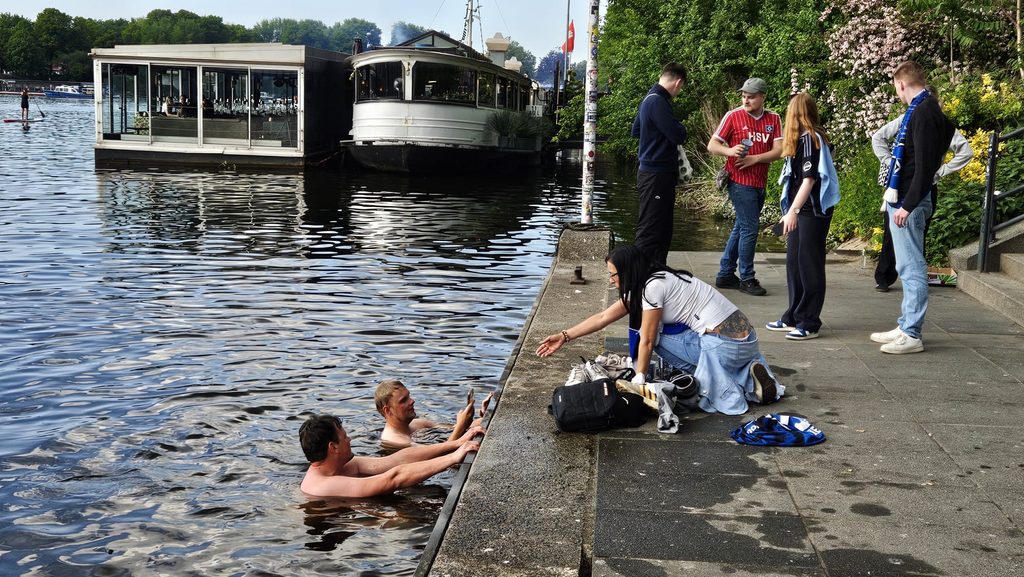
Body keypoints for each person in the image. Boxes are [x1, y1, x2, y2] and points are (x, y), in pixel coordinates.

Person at [535, 244, 782, 415]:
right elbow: (603, 317)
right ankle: (747, 377)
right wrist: (564, 336)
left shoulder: (652, 288)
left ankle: (728, 384)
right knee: (669, 333)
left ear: (628, 271)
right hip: (746, 342)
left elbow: (647, 339)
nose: (611, 280)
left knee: (656, 336)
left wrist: (639, 379)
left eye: (613, 275)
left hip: (724, 346)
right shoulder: (659, 277)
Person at [870, 61, 955, 354]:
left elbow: (925, 167)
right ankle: (905, 324)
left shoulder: (923, 112)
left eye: (895, 87)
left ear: (901, 83)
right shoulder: (923, 110)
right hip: (906, 198)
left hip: (910, 201)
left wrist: (908, 204)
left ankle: (911, 333)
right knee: (906, 265)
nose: (897, 92)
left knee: (912, 266)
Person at [870, 88, 973, 292]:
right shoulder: (912, 118)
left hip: (917, 185)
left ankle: (903, 282)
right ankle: (893, 278)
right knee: (905, 236)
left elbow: (966, 152)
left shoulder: (935, 123)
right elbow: (878, 137)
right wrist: (891, 163)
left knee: (909, 236)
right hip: (908, 185)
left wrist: (939, 172)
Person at [765, 93, 839, 341]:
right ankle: (793, 316)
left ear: (795, 114)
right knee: (794, 262)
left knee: (809, 264)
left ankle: (809, 321)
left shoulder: (810, 139)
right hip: (801, 209)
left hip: (812, 210)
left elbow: (809, 180)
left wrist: (793, 211)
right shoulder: (802, 140)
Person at [707, 78, 784, 296]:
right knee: (750, 228)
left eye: (751, 97)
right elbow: (713, 145)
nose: (746, 100)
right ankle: (747, 278)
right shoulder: (733, 116)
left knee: (742, 226)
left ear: (762, 97)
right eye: (743, 96)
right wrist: (730, 151)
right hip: (739, 181)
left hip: (759, 181)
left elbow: (779, 150)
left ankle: (725, 274)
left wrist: (755, 159)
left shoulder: (773, 118)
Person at [299, 414, 482, 498]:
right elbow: (393, 479)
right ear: (333, 447)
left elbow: (397, 460)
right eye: (345, 437)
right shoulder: (323, 484)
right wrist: (452, 458)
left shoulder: (339, 465)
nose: (350, 439)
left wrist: (456, 444)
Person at [629, 62, 689, 265]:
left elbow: (636, 130)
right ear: (678, 82)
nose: (679, 92)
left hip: (650, 171)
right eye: (681, 87)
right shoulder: (658, 102)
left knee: (656, 223)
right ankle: (644, 271)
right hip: (657, 173)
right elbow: (678, 135)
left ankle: (655, 268)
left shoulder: (649, 98)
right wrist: (680, 128)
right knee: (653, 226)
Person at [374, 379, 492, 449]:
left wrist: (485, 416)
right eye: (403, 400)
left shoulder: (418, 424)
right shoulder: (396, 441)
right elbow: (442, 457)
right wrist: (461, 426)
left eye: (409, 396)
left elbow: (454, 428)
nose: (412, 401)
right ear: (387, 410)